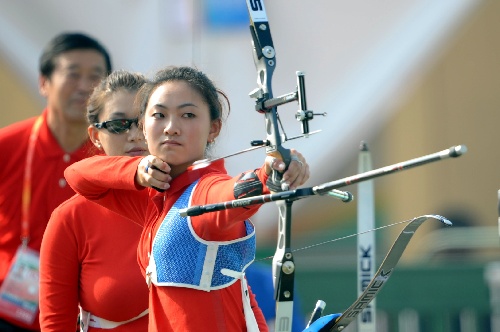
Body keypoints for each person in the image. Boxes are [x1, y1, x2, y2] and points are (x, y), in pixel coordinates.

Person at [64, 65, 310, 332]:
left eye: (188, 115)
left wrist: (271, 175)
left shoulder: (206, 190)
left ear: (213, 128)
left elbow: (233, 192)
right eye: (159, 115)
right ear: (144, 127)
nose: (171, 128)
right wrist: (135, 171)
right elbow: (77, 175)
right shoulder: (155, 197)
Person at [0, 32, 112, 331]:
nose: (85, 87)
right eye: (72, 74)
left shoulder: (115, 159)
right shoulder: (7, 146)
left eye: (96, 76)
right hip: (9, 313)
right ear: (44, 82)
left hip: (85, 316)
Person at [39, 70, 149, 331]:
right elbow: (56, 323)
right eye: (118, 125)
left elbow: (238, 293)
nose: (134, 134)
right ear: (95, 136)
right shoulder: (70, 217)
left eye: (145, 120)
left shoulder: (188, 198)